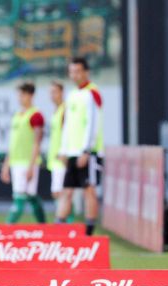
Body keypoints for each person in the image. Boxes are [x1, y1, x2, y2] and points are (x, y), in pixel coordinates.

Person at [58, 57, 103, 235]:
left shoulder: (92, 93)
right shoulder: (72, 94)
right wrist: (63, 149)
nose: (75, 75)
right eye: (72, 71)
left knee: (88, 190)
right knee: (67, 190)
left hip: (87, 152)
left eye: (78, 71)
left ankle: (89, 232)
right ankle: (58, 230)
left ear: (86, 72)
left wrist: (87, 150)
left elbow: (93, 123)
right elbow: (68, 125)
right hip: (71, 152)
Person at [0, 82, 46, 224]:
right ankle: (44, 226)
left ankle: (7, 228)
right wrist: (6, 165)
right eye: (19, 95)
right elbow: (13, 144)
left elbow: (37, 142)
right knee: (30, 195)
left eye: (22, 95)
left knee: (20, 197)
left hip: (27, 162)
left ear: (31, 95)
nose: (20, 98)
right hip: (16, 162)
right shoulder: (17, 115)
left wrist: (32, 166)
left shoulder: (36, 116)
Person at [46, 80, 70, 223]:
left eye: (55, 92)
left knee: (60, 192)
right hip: (54, 156)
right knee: (58, 192)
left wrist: (64, 151)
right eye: (51, 92)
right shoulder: (56, 110)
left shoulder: (64, 110)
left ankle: (65, 222)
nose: (52, 95)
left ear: (62, 92)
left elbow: (68, 132)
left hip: (61, 156)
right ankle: (65, 221)